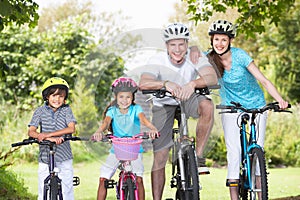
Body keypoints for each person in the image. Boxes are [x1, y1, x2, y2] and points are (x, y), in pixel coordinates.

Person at [206, 19, 289, 200]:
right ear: (211, 41)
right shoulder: (209, 59)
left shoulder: (241, 56)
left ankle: (261, 196)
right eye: (216, 40)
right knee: (234, 151)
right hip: (230, 108)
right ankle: (234, 197)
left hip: (257, 105)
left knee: (258, 148)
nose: (220, 44)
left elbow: (264, 80)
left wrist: (280, 100)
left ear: (230, 41)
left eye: (224, 40)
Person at [139, 22, 218, 200]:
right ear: (166, 46)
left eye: (181, 44)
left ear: (187, 44)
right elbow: (143, 83)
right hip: (163, 105)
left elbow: (211, 76)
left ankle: (197, 156)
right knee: (160, 157)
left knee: (207, 105)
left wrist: (193, 84)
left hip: (187, 99)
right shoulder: (157, 60)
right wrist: (165, 84)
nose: (177, 49)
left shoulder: (194, 56)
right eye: (173, 44)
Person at [91, 77, 159, 200]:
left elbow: (144, 120)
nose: (124, 100)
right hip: (117, 149)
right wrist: (98, 132)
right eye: (121, 97)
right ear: (116, 97)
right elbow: (106, 123)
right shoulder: (112, 110)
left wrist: (152, 129)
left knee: (138, 179)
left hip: (135, 149)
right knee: (103, 178)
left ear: (133, 97)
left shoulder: (136, 109)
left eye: (128, 97)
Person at [28, 77, 77, 200]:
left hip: (64, 155)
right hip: (45, 156)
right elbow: (31, 131)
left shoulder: (66, 110)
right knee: (42, 189)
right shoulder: (39, 111)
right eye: (54, 95)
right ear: (47, 97)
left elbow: (71, 128)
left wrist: (48, 135)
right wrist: (40, 135)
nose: (57, 99)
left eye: (61, 96)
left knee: (67, 190)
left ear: (65, 98)